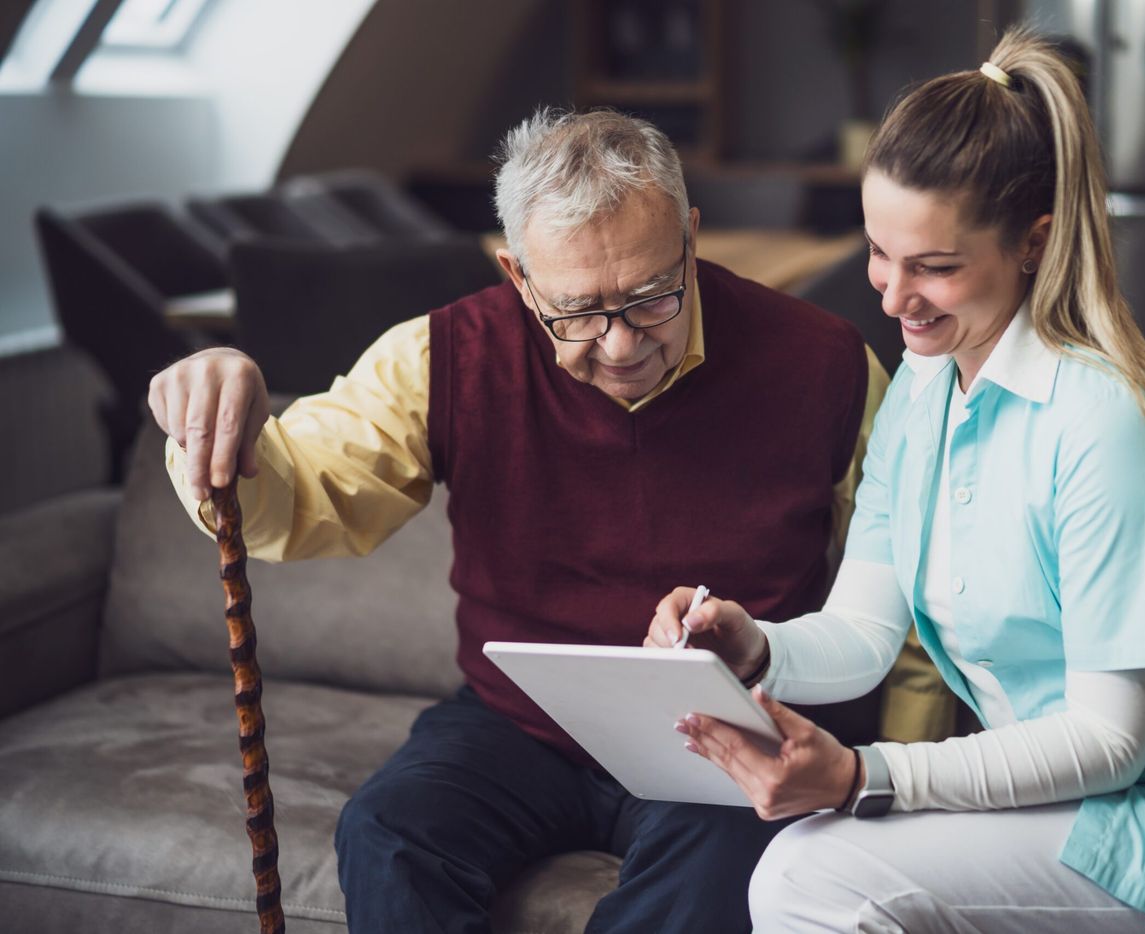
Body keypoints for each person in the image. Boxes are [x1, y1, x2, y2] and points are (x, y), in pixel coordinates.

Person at [649, 30, 1145, 933]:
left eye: (935, 267)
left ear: (1034, 243)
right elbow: (866, 629)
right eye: (877, 253)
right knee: (810, 867)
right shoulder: (923, 388)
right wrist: (756, 649)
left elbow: (1110, 741)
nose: (893, 297)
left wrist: (871, 776)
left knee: (810, 875)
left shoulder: (1105, 425)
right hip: (1088, 797)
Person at [149, 109, 889, 933]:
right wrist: (217, 426)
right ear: (518, 274)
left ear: (691, 236)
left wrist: (898, 774)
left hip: (727, 734)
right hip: (519, 722)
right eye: (576, 313)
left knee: (716, 874)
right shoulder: (440, 355)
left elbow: (904, 598)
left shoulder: (827, 362)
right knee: (388, 836)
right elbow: (296, 503)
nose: (617, 346)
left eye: (652, 298)